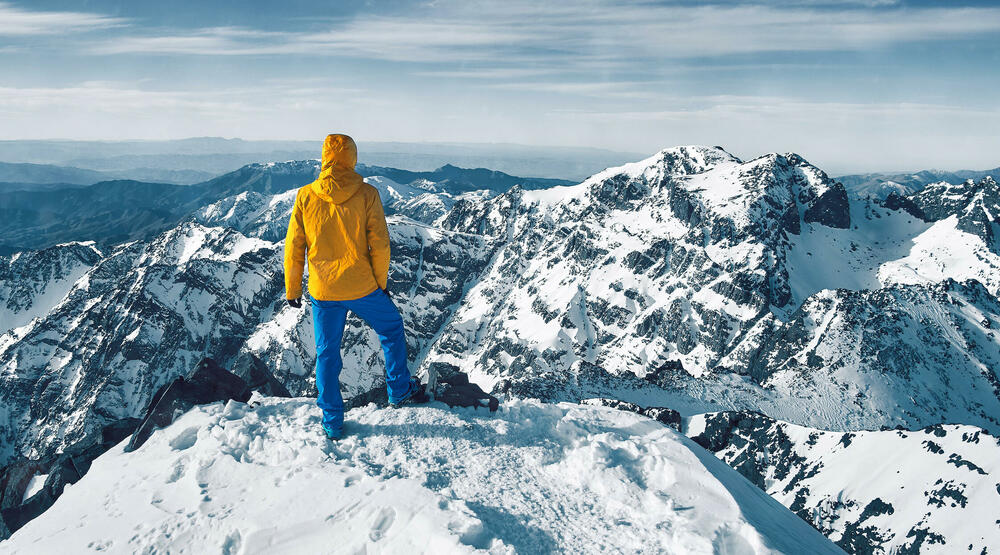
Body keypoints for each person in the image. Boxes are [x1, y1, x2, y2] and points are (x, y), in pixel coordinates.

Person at [284, 133, 428, 440]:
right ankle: (399, 390)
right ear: (352, 158)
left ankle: (332, 421)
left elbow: (295, 246)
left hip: (323, 290)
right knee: (390, 328)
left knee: (327, 354)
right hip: (362, 285)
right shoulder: (367, 194)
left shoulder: (305, 196)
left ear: (324, 158)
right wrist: (381, 283)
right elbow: (380, 244)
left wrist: (293, 289)